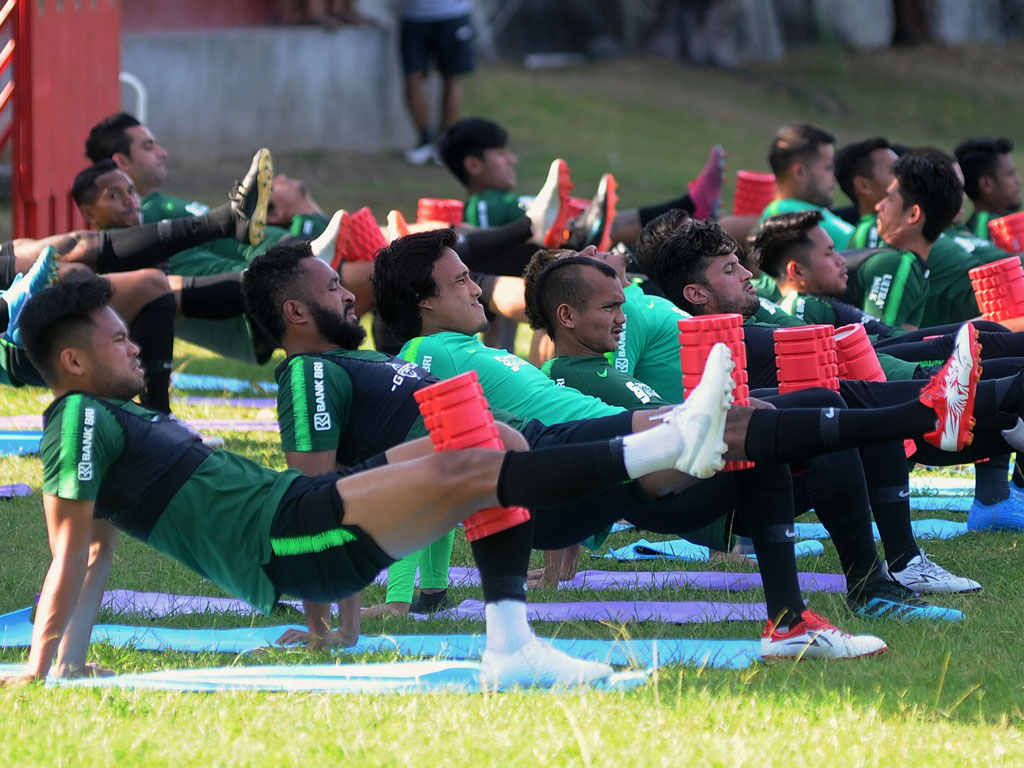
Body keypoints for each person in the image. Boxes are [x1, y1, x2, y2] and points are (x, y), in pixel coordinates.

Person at [244, 235, 978, 655]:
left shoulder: (378, 363)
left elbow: (436, 461)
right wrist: (363, 608)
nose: (349, 296)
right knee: (749, 420)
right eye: (333, 290)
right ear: (295, 311)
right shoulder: (319, 372)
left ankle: (794, 614)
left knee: (769, 424)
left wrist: (426, 595)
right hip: (551, 463)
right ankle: (922, 415)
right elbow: (325, 502)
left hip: (565, 454)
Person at [8, 275, 758, 686]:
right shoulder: (75, 419)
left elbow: (97, 556)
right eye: (117, 339)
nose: (138, 348)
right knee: (475, 466)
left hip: (294, 517)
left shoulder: (103, 420)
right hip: (289, 533)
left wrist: (69, 663)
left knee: (485, 443)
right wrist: (44, 667)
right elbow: (74, 553)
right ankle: (667, 446)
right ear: (72, 363)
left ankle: (512, 637)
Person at [436, 117, 725, 249]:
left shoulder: (500, 201)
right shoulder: (482, 204)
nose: (511, 160)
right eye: (500, 153)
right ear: (473, 165)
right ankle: (690, 207)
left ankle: (692, 209)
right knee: (612, 226)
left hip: (591, 245)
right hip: (571, 250)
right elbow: (489, 243)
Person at [399, 1, 476, 165]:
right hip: (413, 15)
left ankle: (445, 142)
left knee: (451, 78)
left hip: (452, 13)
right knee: (413, 78)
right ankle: (424, 140)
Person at [759, 122, 855, 251]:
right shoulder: (788, 216)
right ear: (799, 172)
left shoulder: (797, 212)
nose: (834, 178)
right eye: (828, 168)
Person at [954, 137, 1022, 240]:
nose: (1018, 181)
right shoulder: (985, 233)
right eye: (1010, 174)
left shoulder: (1008, 222)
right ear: (986, 184)